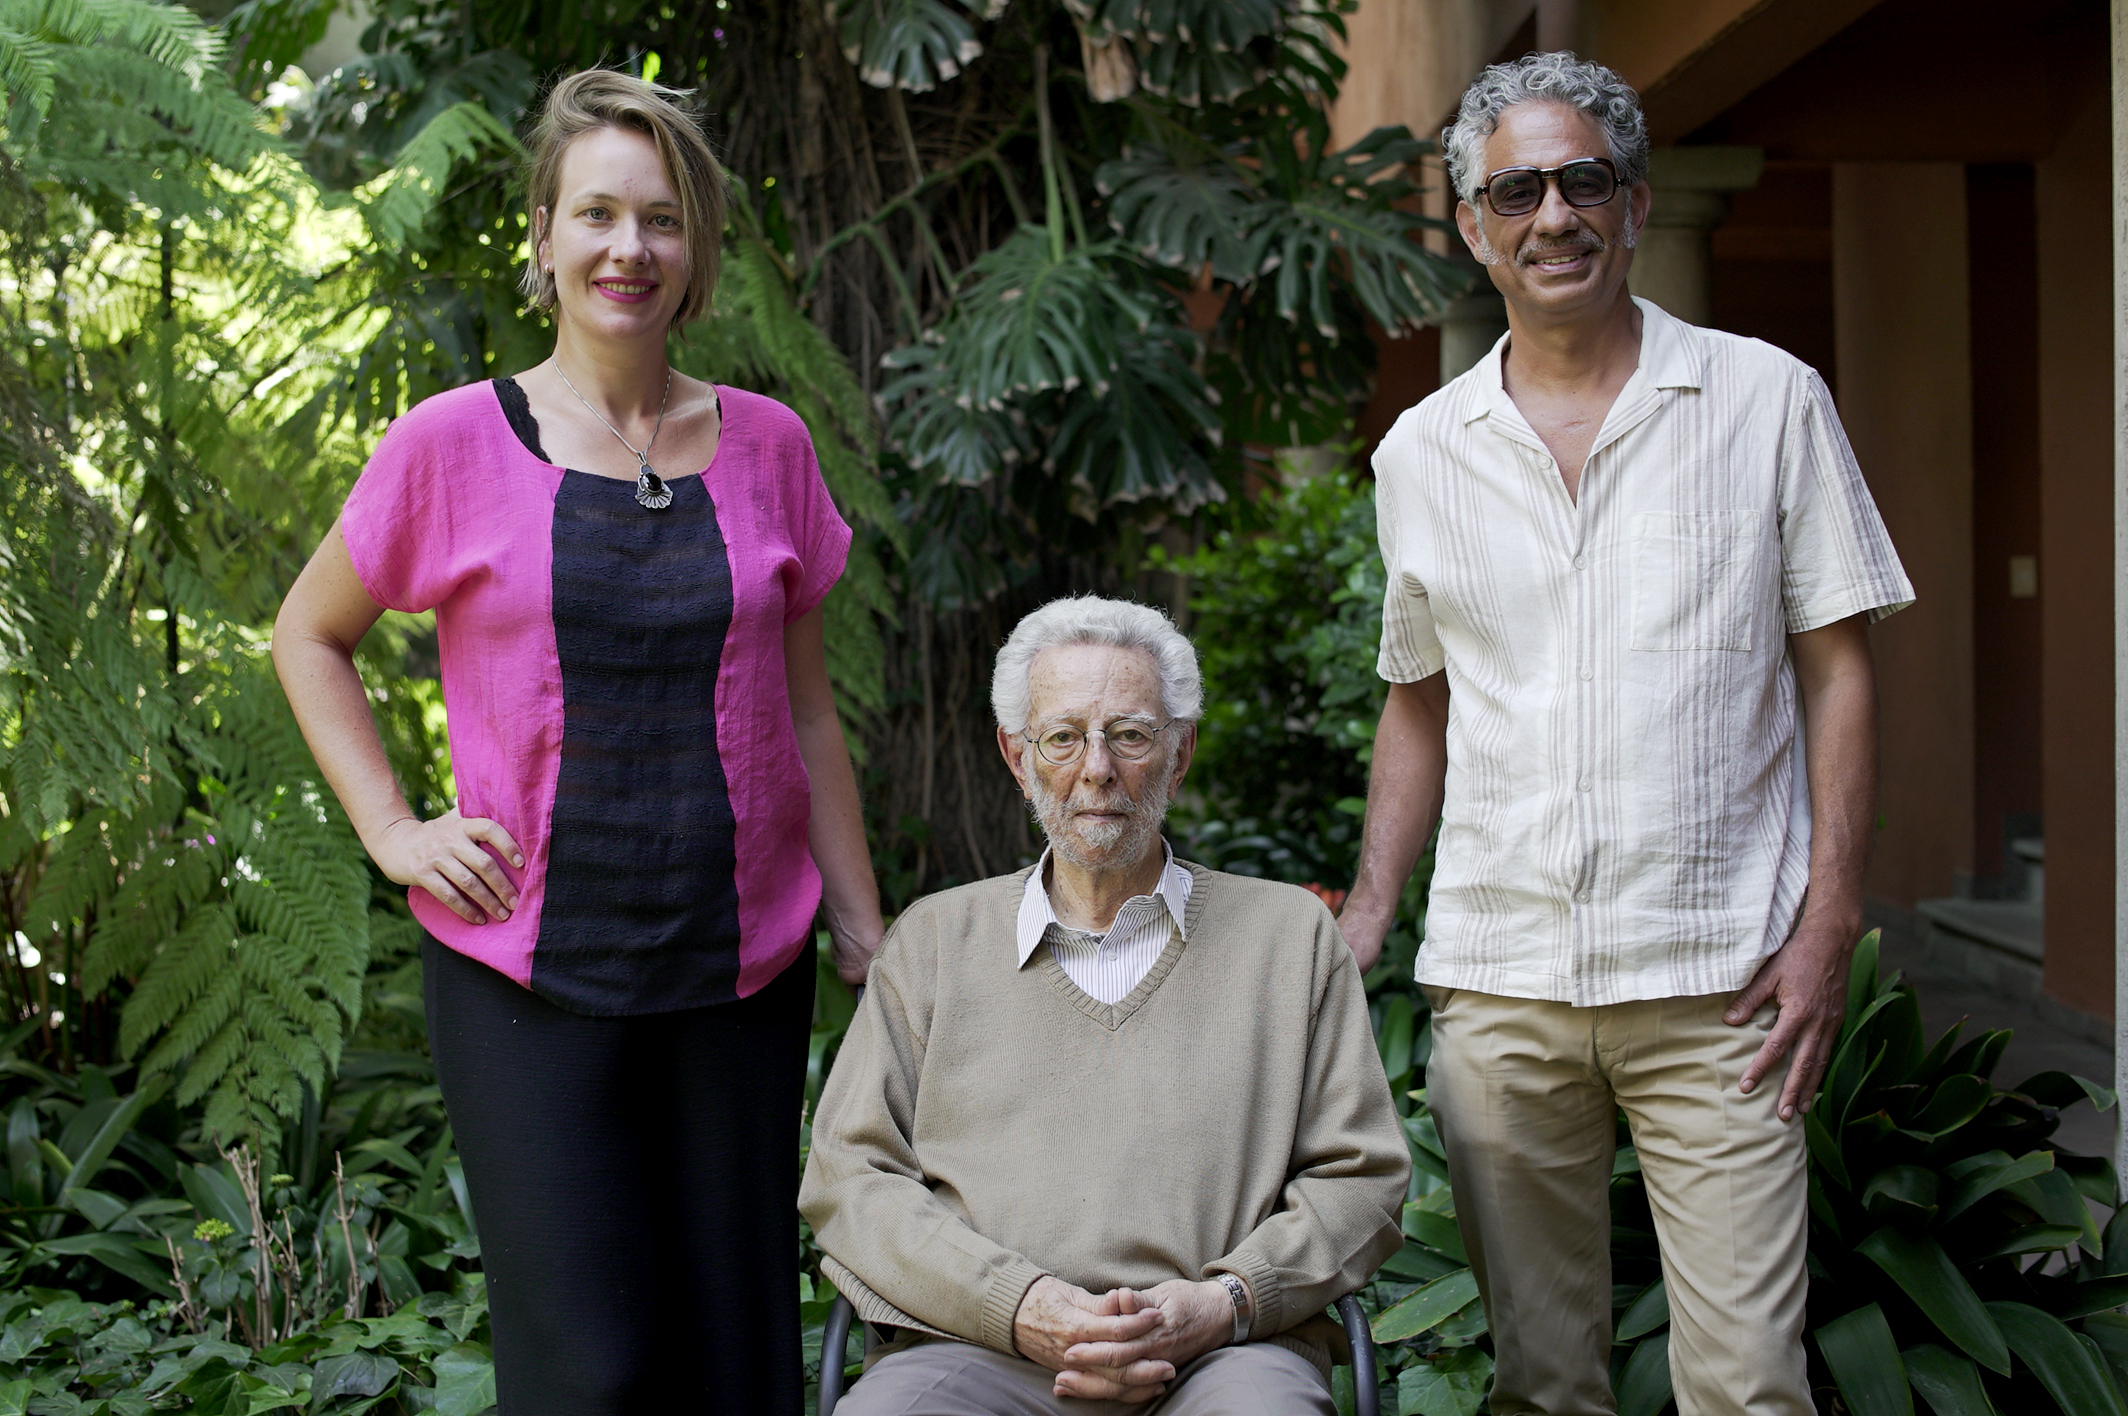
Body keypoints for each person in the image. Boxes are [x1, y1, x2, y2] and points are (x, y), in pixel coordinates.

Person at [272, 68, 883, 1415]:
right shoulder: (449, 443)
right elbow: (307, 636)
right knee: (587, 1377)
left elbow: (806, 710)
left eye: (662, 219)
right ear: (544, 235)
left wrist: (862, 926)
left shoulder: (770, 447)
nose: (629, 248)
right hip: (524, 974)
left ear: (697, 247)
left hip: (739, 971)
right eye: (597, 214)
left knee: (736, 1363)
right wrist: (393, 832)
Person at [1335, 52, 1913, 1416]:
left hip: (1724, 979)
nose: (1554, 216)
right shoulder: (1421, 451)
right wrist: (1366, 914)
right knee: (1542, 1387)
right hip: (1503, 979)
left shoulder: (1767, 399)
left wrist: (1830, 917)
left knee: (1749, 1388)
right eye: (1516, 192)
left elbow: (1837, 670)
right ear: (1473, 228)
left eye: (1583, 181)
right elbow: (1417, 694)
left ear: (1636, 205)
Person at [799, 596, 1410, 1416]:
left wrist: (1226, 1301)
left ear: (1180, 753)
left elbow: (1362, 1178)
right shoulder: (934, 943)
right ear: (1017, 757)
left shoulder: (1288, 938)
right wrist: (1018, 1306)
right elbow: (851, 1178)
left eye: (1130, 735)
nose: (1096, 769)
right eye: (1062, 737)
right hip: (978, 1351)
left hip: (1224, 1357)